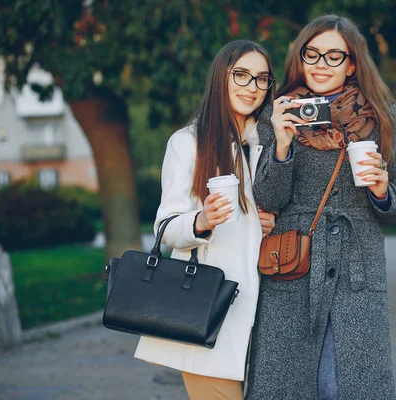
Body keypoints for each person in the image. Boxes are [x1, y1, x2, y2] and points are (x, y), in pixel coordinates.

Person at [246, 15, 396, 400]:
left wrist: (383, 189)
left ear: (352, 63)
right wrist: (282, 147)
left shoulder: (381, 116)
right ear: (299, 59)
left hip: (358, 269)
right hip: (294, 268)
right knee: (291, 386)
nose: (321, 63)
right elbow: (267, 201)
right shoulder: (281, 112)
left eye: (334, 55)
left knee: (343, 386)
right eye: (312, 54)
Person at [133, 40, 276, 400]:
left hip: (267, 311)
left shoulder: (266, 144)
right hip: (208, 308)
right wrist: (202, 220)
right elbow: (165, 229)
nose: (252, 87)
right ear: (220, 78)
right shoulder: (189, 143)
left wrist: (264, 224)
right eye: (241, 75)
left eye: (261, 79)